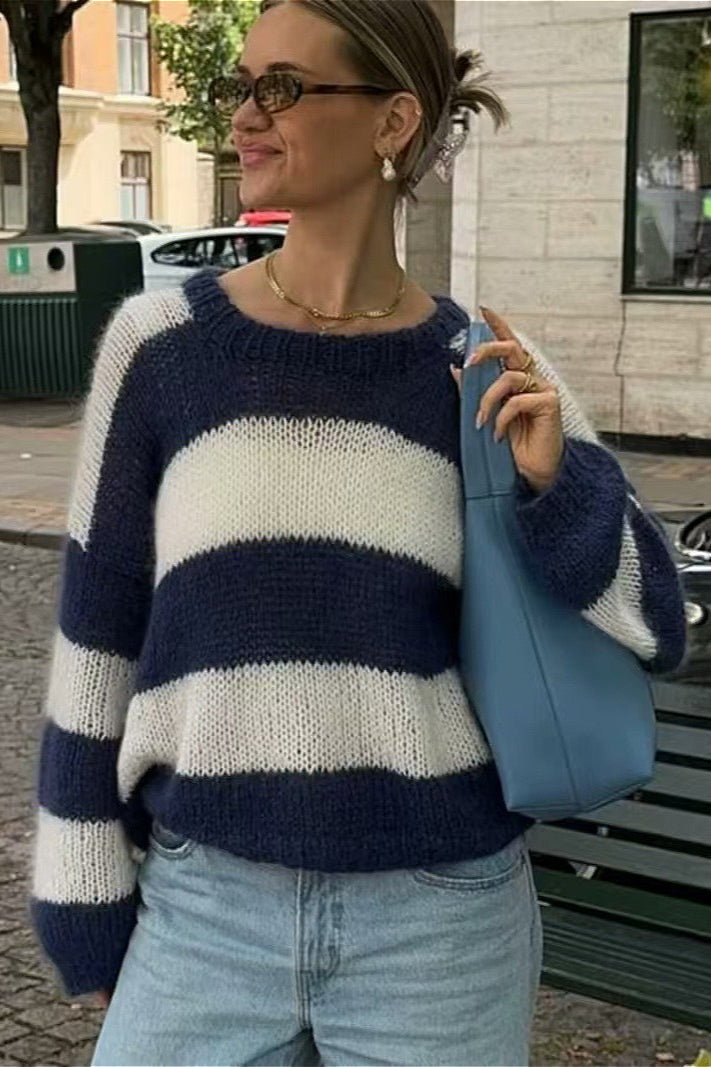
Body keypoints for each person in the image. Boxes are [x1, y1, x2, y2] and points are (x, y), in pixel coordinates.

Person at [28, 2, 687, 1065]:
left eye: (282, 87)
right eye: (241, 86)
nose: (245, 114)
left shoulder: (482, 366)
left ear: (393, 120)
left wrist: (555, 481)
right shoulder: (160, 349)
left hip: (437, 928)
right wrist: (81, 890)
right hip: (204, 914)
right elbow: (96, 639)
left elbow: (658, 622)